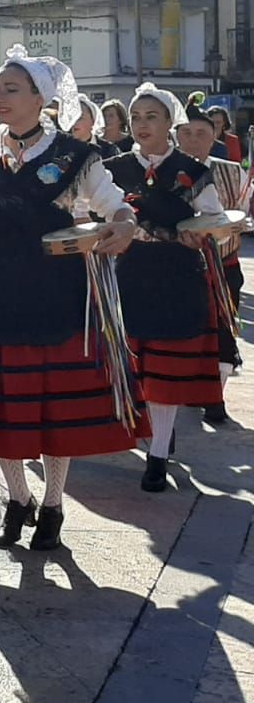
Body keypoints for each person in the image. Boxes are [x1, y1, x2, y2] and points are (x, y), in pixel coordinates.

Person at [0, 46, 140, 554]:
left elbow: (113, 205)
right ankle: (17, 497)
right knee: (1, 406)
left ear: (40, 98)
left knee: (52, 409)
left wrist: (124, 224)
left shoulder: (75, 156)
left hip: (56, 290)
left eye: (11, 89)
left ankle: (52, 504)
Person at [105, 84, 224, 491]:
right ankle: (156, 436)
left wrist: (202, 235)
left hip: (176, 275)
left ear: (170, 122)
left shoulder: (192, 171)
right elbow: (93, 212)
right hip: (132, 272)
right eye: (136, 117)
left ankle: (156, 458)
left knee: (166, 371)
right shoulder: (114, 167)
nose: (141, 124)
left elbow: (215, 221)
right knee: (138, 368)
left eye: (151, 116)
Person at [178, 95, 249, 423]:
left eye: (202, 134)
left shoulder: (231, 171)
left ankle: (216, 398)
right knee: (187, 334)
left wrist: (241, 222)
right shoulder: (166, 173)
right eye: (187, 134)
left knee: (223, 331)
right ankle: (186, 390)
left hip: (225, 265)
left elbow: (241, 211)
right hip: (181, 269)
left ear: (215, 138)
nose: (194, 141)